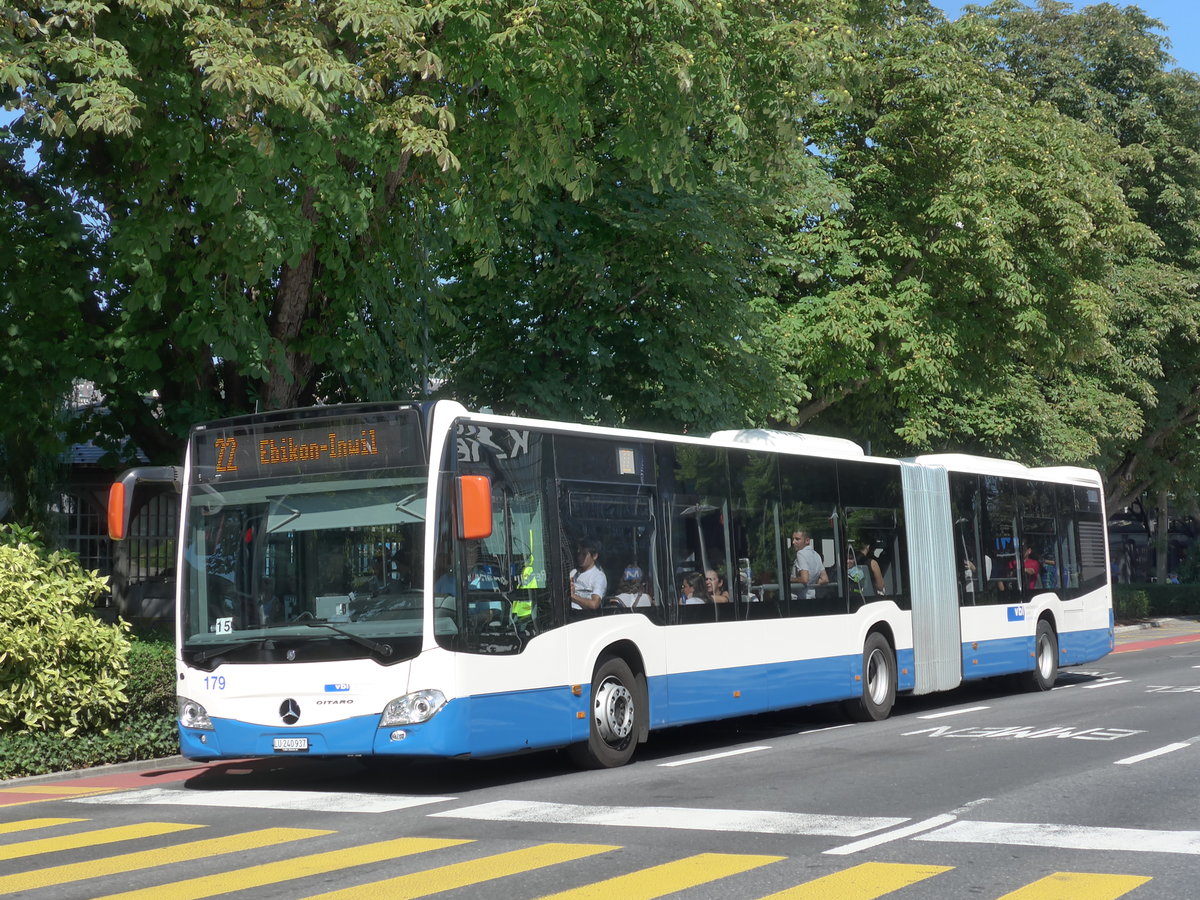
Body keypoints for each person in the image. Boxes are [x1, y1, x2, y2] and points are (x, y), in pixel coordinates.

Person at [790, 530, 828, 599]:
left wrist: (790, 580)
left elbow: (805, 579)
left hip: (800, 598)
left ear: (807, 541)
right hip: (812, 596)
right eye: (793, 539)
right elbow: (825, 579)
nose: (793, 542)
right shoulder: (816, 555)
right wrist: (812, 581)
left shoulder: (800, 553)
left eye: (797, 539)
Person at [569, 540, 607, 610]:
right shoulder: (573, 573)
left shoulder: (598, 576)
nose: (579, 557)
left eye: (583, 554)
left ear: (594, 556)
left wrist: (572, 596)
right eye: (579, 554)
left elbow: (594, 604)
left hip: (583, 616)